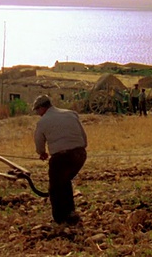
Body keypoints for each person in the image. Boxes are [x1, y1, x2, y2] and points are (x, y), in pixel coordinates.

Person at [32, 95, 87, 225]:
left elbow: (39, 142)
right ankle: (71, 213)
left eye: (37, 110)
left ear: (42, 108)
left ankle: (60, 218)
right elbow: (83, 137)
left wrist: (42, 153)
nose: (38, 114)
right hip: (80, 155)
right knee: (64, 181)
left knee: (55, 188)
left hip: (62, 157)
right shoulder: (71, 114)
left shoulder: (43, 121)